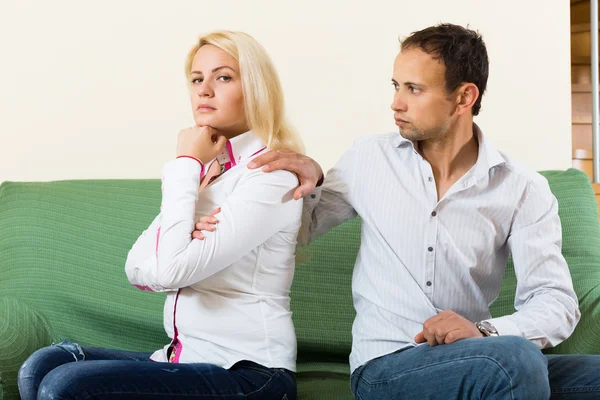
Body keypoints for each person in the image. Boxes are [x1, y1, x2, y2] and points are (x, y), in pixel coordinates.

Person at [197, 24, 600, 399]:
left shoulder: (522, 188)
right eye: (395, 85)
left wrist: (483, 330)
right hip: (386, 366)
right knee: (516, 362)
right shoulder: (369, 158)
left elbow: (556, 302)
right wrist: (305, 179)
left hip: (477, 355)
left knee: (572, 371)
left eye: (414, 89)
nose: (396, 103)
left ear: (464, 97)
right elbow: (298, 228)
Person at [18, 30, 302, 400]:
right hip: (183, 359)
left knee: (64, 386)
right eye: (197, 79)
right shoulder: (210, 172)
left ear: (256, 88)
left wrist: (185, 164)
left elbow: (168, 271)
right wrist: (186, 219)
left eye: (223, 77)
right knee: (44, 364)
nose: (204, 90)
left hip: (251, 374)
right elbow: (136, 267)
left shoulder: (270, 177)